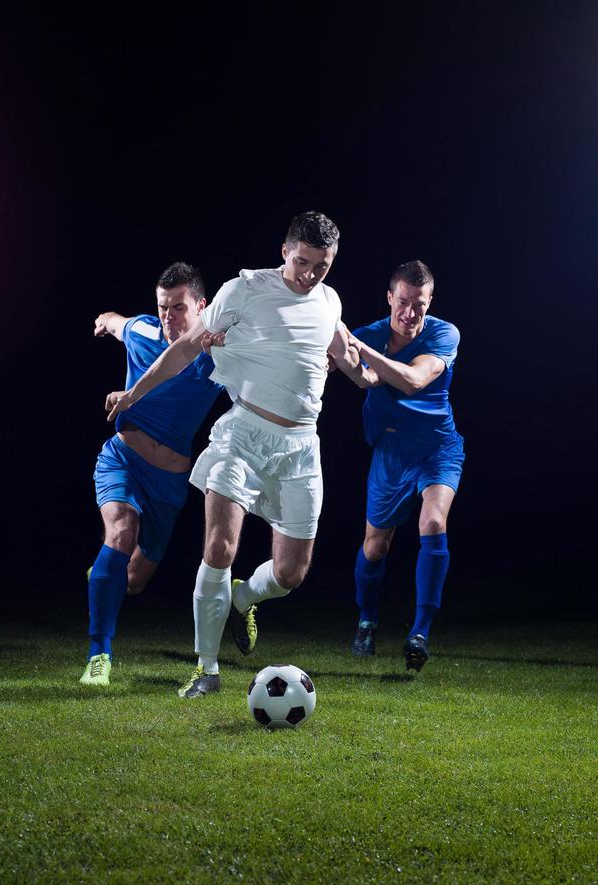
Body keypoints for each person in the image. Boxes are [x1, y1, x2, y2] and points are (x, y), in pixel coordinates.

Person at [105, 212, 371, 698]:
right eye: (303, 262)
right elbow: (185, 348)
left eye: (323, 266)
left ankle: (244, 598)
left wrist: (361, 375)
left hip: (300, 449)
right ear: (285, 250)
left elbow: (342, 350)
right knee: (219, 548)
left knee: (291, 574)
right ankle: (207, 670)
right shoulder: (242, 291)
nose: (311, 274)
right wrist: (133, 395)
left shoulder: (329, 301)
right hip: (242, 436)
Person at [81, 262, 225, 686]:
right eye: (163, 307)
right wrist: (104, 321)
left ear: (201, 306)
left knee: (134, 579)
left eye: (178, 308)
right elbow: (114, 322)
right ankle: (98, 656)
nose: (168, 317)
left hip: (169, 483)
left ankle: (102, 576)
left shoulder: (217, 355)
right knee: (121, 533)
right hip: (123, 460)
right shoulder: (144, 331)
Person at [343, 260, 464, 671]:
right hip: (391, 455)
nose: (410, 314)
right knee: (376, 546)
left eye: (420, 305)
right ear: (390, 297)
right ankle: (366, 621)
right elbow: (349, 370)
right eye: (404, 302)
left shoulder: (445, 333)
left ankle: (420, 633)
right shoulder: (368, 335)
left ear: (430, 304)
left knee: (432, 523)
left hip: (437, 449)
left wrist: (361, 352)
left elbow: (413, 379)